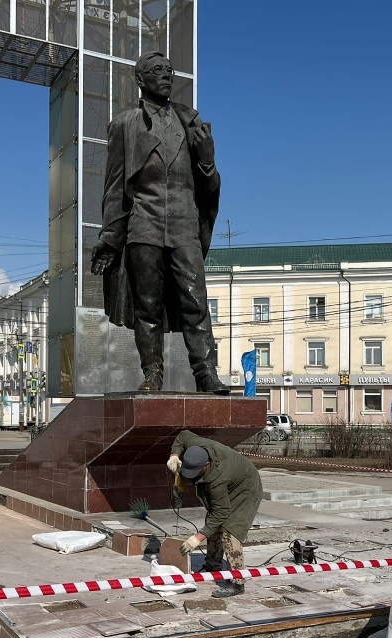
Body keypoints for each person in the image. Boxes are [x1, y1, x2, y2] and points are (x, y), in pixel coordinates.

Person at [91, 51, 228, 395]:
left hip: (184, 225)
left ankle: (206, 373)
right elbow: (115, 185)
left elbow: (209, 188)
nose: (166, 76)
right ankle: (152, 374)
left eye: (169, 71)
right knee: (147, 307)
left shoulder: (191, 123)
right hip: (144, 223)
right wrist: (110, 237)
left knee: (195, 300)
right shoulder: (125, 124)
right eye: (157, 71)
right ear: (140, 79)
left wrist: (208, 162)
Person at [168, 430, 263, 598]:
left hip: (247, 489)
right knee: (212, 524)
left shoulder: (218, 479)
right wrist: (175, 455)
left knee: (229, 531)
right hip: (231, 483)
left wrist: (197, 538)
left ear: (206, 466)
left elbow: (221, 512)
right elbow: (182, 436)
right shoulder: (195, 445)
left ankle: (237, 582)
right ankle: (213, 566)